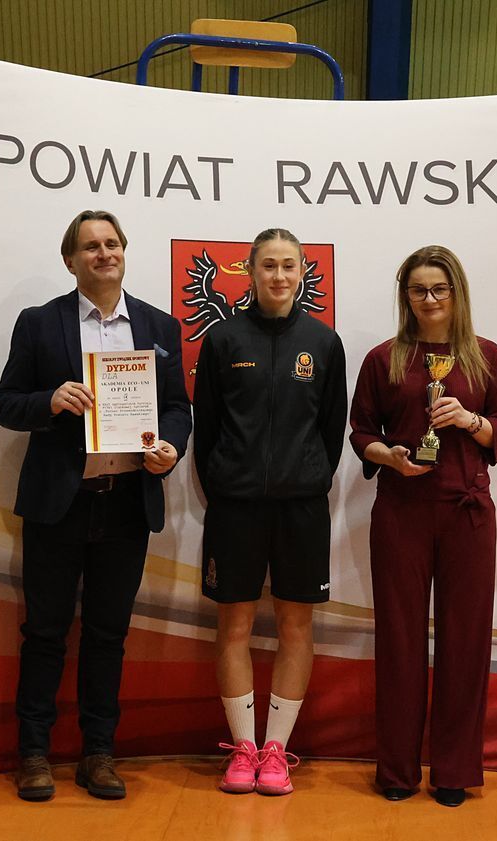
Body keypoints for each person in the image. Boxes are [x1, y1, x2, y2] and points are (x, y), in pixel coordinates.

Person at [0, 209, 191, 802]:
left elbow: (177, 407)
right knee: (45, 633)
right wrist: (50, 400)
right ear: (70, 260)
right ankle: (33, 753)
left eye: (111, 243)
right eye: (90, 246)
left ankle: (98, 754)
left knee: (108, 635)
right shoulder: (39, 323)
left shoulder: (159, 325)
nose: (103, 254)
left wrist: (171, 447)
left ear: (124, 251)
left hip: (127, 503)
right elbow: (6, 403)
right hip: (60, 503)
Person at [348, 245, 497, 807]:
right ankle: (396, 770)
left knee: (465, 642)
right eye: (418, 290)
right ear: (406, 297)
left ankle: (453, 770)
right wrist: (390, 457)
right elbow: (360, 432)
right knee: (399, 640)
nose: (429, 299)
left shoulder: (485, 356)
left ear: (456, 292)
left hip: (467, 512)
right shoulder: (384, 358)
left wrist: (470, 420)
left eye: (438, 289)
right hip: (401, 511)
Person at [191, 228, 348, 796]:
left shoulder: (324, 343)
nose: (279, 276)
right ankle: (243, 750)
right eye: (268, 266)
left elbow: (331, 429)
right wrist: (228, 481)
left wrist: (304, 478)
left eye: (289, 266)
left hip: (301, 510)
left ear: (303, 272)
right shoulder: (223, 339)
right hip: (235, 509)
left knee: (295, 627)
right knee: (233, 627)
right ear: (251, 272)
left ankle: (276, 751)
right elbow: (207, 427)